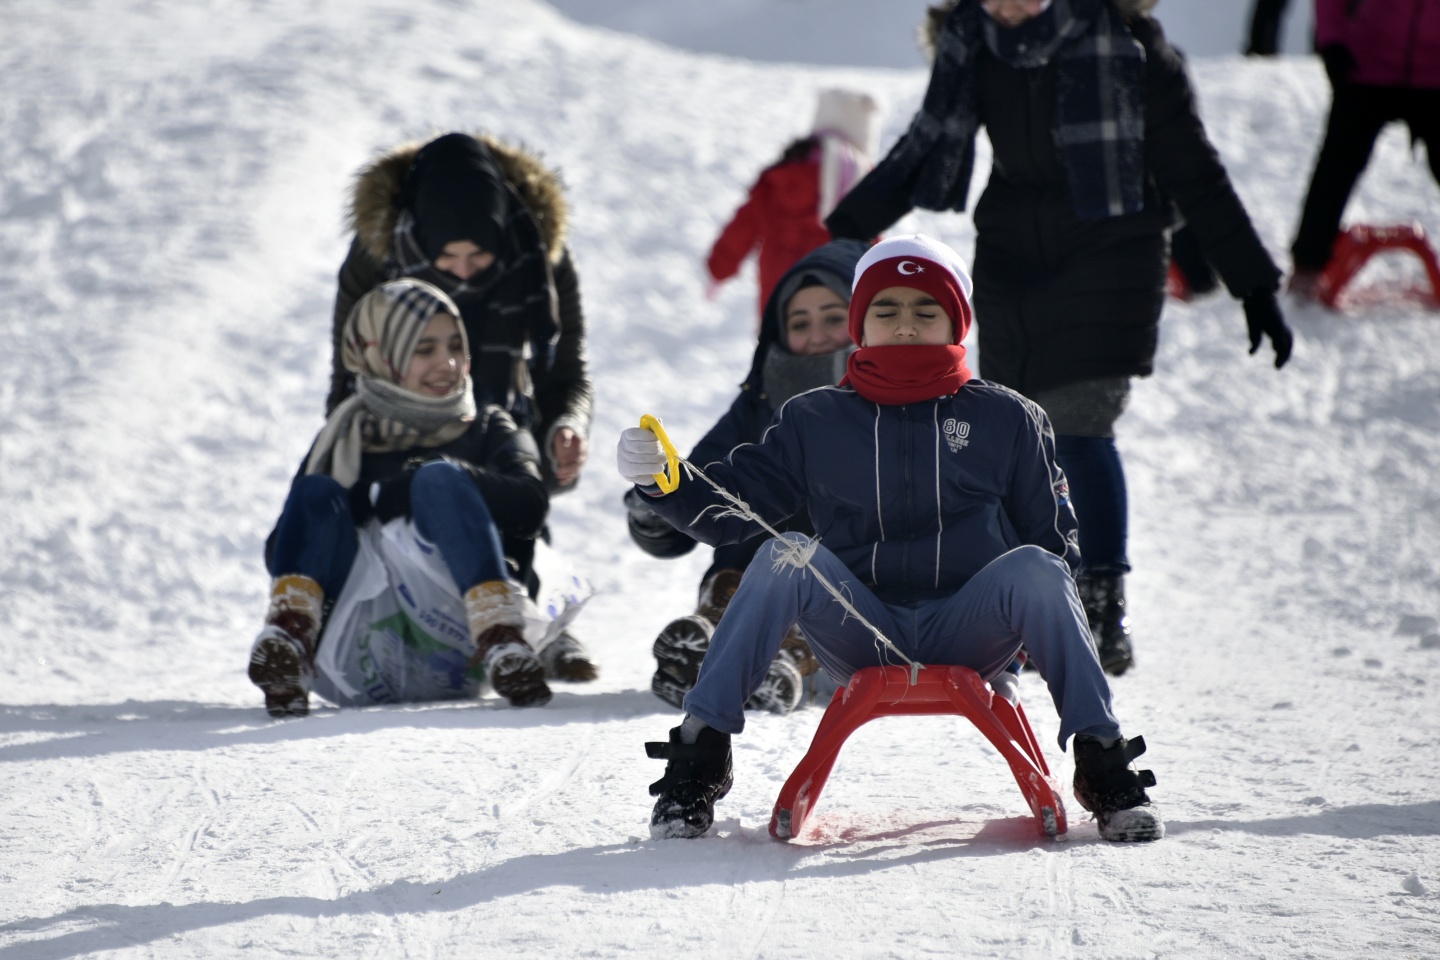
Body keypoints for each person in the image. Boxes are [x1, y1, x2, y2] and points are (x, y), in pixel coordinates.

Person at [617, 235, 1163, 843]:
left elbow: (1054, 545)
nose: (905, 326)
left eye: (926, 311)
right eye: (886, 310)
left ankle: (1101, 760)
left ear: (955, 322)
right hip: (858, 625)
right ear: (861, 324)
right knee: (784, 552)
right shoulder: (813, 418)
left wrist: (1028, 636)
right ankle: (700, 757)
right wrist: (666, 483)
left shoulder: (1008, 417)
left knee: (1037, 566)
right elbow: (737, 511)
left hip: (971, 629)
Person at [825, 0, 1294, 676]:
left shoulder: (1129, 45)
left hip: (1115, 247)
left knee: (1077, 422)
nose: (1009, 5)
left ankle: (1100, 603)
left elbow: (1191, 165)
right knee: (1016, 436)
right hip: (1013, 258)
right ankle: (1027, 600)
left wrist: (1253, 282)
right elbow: (921, 148)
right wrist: (840, 237)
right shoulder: (973, 41)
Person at [251, 279, 570, 718]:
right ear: (382, 356)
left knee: (438, 480)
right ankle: (289, 643)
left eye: (456, 346)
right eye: (425, 351)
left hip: (463, 643)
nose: (449, 363)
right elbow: (280, 550)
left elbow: (532, 504)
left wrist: (435, 483)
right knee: (317, 490)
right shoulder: (346, 435)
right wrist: (368, 500)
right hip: (359, 645)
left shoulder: (488, 424)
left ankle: (502, 640)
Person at [626, 239, 870, 714]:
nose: (817, 335)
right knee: (739, 497)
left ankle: (791, 653)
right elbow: (699, 485)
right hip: (753, 568)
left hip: (849, 580)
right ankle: (714, 625)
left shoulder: (884, 404)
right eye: (800, 323)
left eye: (833, 317)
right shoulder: (760, 401)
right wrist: (656, 493)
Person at [328, 132, 593, 496]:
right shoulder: (377, 260)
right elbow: (350, 368)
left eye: (479, 255)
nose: (465, 271)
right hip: (399, 428)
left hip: (504, 422)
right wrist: (343, 458)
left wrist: (568, 424)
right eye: (449, 257)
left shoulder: (537, 260)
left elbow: (566, 367)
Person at [1289, 0, 1440, 295]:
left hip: (1435, 74)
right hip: (1367, 63)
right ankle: (1307, 265)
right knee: (1336, 165)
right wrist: (1332, 41)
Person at [706, 89, 881, 319]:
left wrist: (719, 269)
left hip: (780, 299)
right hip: (839, 306)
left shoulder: (784, 173)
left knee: (781, 348)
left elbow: (744, 224)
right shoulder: (861, 180)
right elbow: (873, 248)